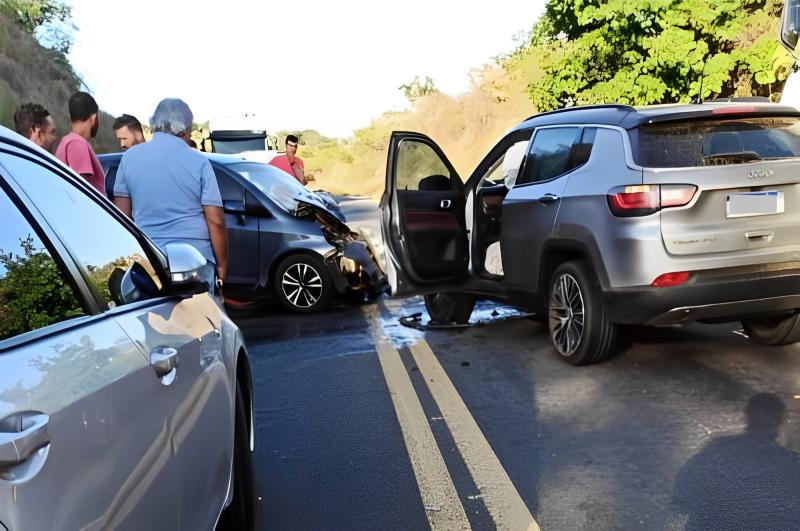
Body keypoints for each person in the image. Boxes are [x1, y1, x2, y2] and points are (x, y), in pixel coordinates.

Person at [113, 98, 227, 293]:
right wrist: (222, 266)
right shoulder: (199, 162)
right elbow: (215, 221)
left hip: (151, 261)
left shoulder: (129, 159)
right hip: (196, 259)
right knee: (203, 321)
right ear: (183, 128)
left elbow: (122, 216)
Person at [55, 91, 105, 194]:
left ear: (70, 116)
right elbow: (80, 190)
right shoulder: (77, 142)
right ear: (94, 118)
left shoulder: (68, 141)